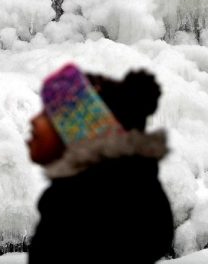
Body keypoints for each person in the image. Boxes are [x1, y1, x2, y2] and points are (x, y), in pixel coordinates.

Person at [27, 63, 174, 263]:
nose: (34, 120)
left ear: (76, 131)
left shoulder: (77, 210)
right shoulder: (131, 192)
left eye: (48, 114)